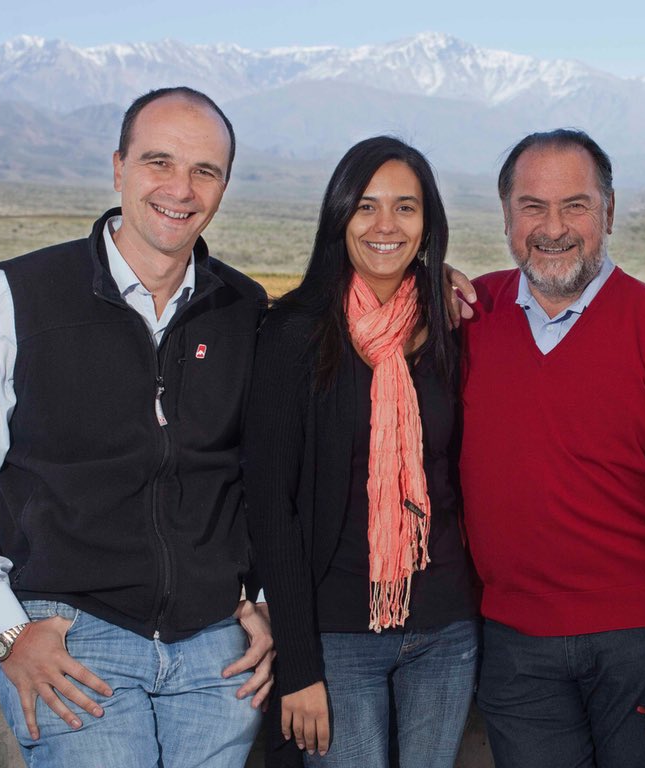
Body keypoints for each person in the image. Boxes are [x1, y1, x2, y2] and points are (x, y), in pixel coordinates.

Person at [0, 87, 276, 768]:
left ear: (224, 186)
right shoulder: (20, 296)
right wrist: (6, 631)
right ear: (118, 168)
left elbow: (267, 476)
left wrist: (263, 598)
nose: (180, 189)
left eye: (205, 171)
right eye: (158, 162)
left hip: (216, 652)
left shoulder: (243, 309)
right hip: (72, 640)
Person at [459, 129, 645, 768]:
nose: (553, 228)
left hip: (637, 647)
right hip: (514, 646)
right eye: (532, 206)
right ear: (506, 215)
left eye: (575, 206)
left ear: (608, 212)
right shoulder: (471, 315)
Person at [244, 136, 479, 768]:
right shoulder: (294, 332)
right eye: (366, 206)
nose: (385, 225)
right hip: (336, 634)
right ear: (339, 216)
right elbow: (271, 506)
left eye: (405, 207)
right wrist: (299, 665)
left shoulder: (450, 328)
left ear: (428, 224)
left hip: (446, 628)